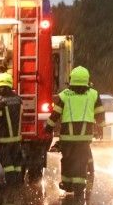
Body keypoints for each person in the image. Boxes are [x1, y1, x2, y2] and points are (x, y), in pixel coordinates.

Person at [45, 66, 105, 196]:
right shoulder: (93, 94)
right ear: (87, 80)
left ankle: (67, 184)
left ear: (71, 80)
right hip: (84, 138)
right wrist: (101, 127)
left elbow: (55, 114)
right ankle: (79, 185)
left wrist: (48, 128)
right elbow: (100, 113)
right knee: (82, 160)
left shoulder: (64, 95)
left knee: (67, 160)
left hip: (67, 138)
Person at [0, 72, 25, 184]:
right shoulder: (19, 99)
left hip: (4, 141)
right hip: (17, 139)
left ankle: (11, 187)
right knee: (16, 163)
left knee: (8, 164)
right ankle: (18, 184)